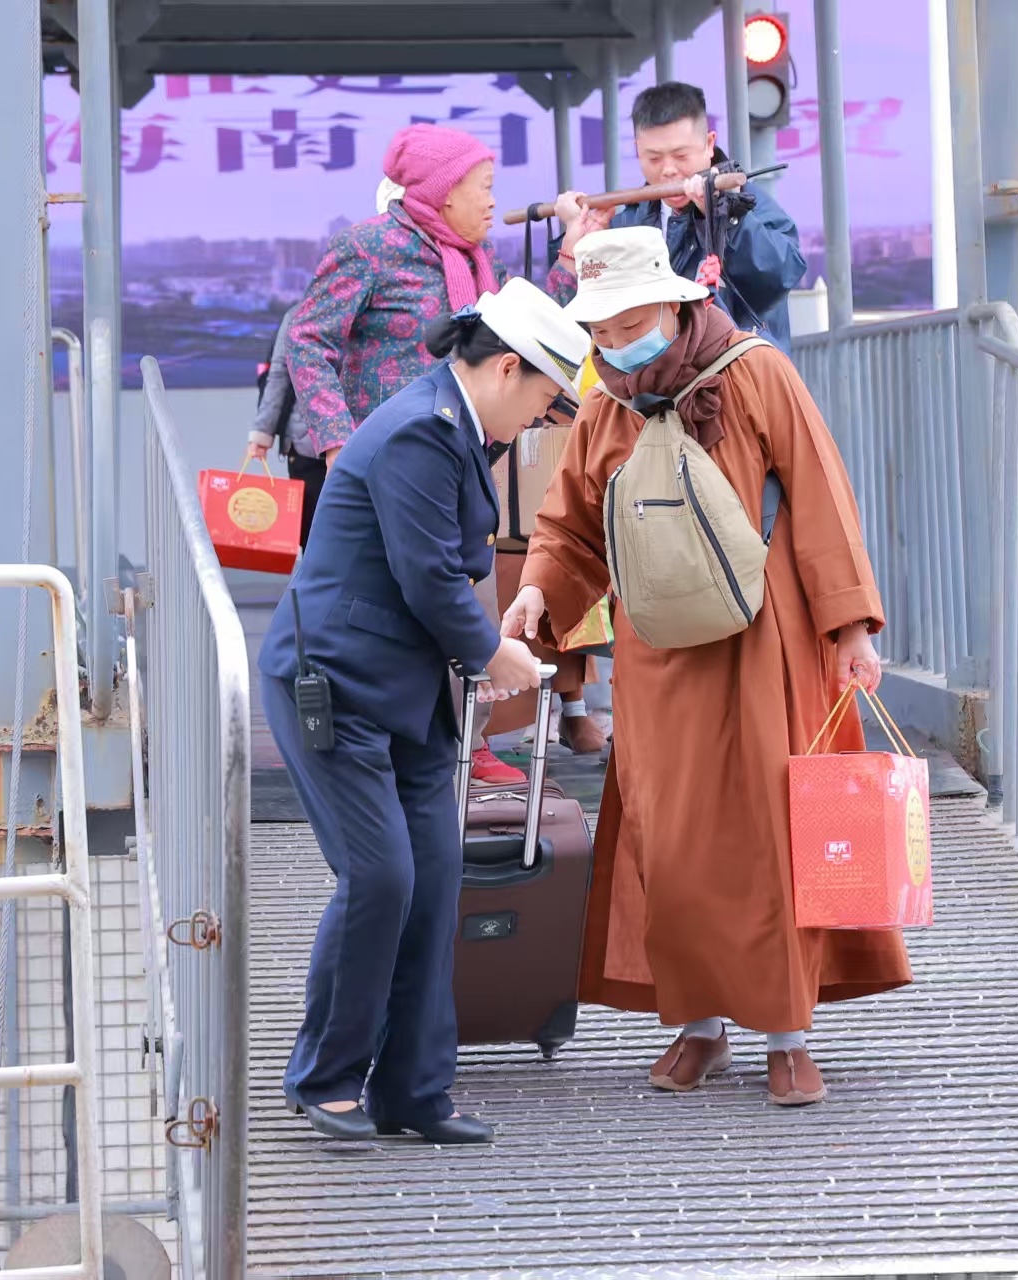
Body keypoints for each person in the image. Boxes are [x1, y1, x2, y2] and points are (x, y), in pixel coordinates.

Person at [504, 227, 911, 1108]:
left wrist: (851, 628)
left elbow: (821, 496)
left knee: (773, 833)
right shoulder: (604, 406)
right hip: (659, 651)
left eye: (628, 324)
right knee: (672, 839)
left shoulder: (757, 371)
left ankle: (788, 1034)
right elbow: (569, 525)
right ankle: (698, 1026)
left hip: (769, 638)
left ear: (673, 304)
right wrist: (538, 591)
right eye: (600, 330)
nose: (614, 343)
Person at [257, 278, 592, 1145]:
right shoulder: (422, 430)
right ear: (508, 368)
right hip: (335, 681)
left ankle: (413, 1088)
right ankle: (327, 1076)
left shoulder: (452, 424)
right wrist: (493, 654)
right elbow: (429, 576)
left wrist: (486, 647)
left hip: (402, 688)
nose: (543, 417)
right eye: (546, 398)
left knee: (434, 876)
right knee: (381, 877)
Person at [247, 123, 601, 783]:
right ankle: (377, 739)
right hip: (387, 463)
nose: (493, 202)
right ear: (443, 191)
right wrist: (337, 439)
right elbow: (306, 341)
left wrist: (569, 254)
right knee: (393, 603)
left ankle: (469, 742)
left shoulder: (476, 259)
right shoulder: (367, 247)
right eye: (483, 188)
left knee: (466, 592)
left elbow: (527, 345)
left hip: (464, 455)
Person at [553, 81, 807, 354]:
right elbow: (571, 326)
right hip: (649, 379)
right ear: (637, 150)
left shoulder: (746, 202)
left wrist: (725, 217)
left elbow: (780, 277)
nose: (668, 170)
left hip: (738, 373)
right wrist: (576, 252)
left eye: (681, 155)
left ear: (709, 144)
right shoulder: (625, 223)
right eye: (654, 158)